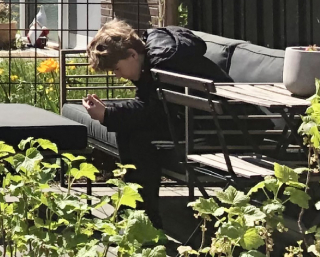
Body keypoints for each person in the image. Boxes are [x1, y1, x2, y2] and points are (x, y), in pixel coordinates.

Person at [82, 19, 231, 228]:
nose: (118, 76)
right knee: (130, 130)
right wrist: (109, 113)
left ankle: (144, 218)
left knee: (139, 138)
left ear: (133, 55)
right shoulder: (153, 59)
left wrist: (108, 114)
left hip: (218, 127)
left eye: (117, 69)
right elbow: (154, 108)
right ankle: (137, 212)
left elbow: (155, 113)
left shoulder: (164, 63)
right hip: (193, 119)